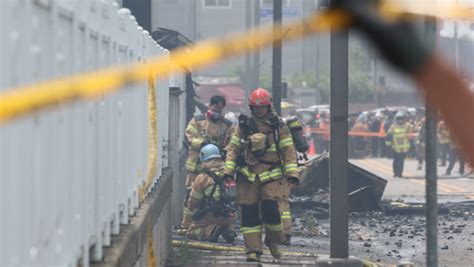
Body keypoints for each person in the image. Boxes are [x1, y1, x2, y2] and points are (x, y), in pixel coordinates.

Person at [223, 88, 299, 262]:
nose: (259, 110)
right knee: (249, 214)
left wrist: (292, 174)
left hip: (272, 175)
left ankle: (273, 240)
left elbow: (288, 150)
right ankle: (253, 251)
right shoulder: (243, 126)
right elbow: (233, 149)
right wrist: (228, 171)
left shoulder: (278, 126)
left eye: (262, 107)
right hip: (248, 177)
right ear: (251, 107)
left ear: (268, 106)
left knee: (272, 211)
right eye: (256, 107)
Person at [181, 95, 234, 229]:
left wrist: (224, 151)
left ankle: (215, 226)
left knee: (217, 197)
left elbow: (232, 143)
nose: (217, 111)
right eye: (215, 107)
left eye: (220, 109)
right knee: (191, 197)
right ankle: (186, 225)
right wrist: (203, 144)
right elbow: (189, 137)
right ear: (209, 106)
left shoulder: (226, 125)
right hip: (196, 167)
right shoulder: (198, 121)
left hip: (216, 169)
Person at [184, 144, 237, 243]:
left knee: (191, 232)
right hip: (230, 215)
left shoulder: (202, 178)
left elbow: (193, 203)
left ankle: (210, 231)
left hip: (211, 216)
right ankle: (228, 231)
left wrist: (192, 214)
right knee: (225, 220)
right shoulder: (229, 173)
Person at [385, 112, 411, 177]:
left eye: (401, 119)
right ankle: (397, 173)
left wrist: (388, 146)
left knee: (398, 161)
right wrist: (388, 146)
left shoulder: (403, 126)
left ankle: (398, 173)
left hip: (399, 148)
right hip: (398, 148)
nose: (400, 120)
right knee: (398, 161)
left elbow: (389, 136)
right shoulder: (395, 127)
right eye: (399, 119)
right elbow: (389, 136)